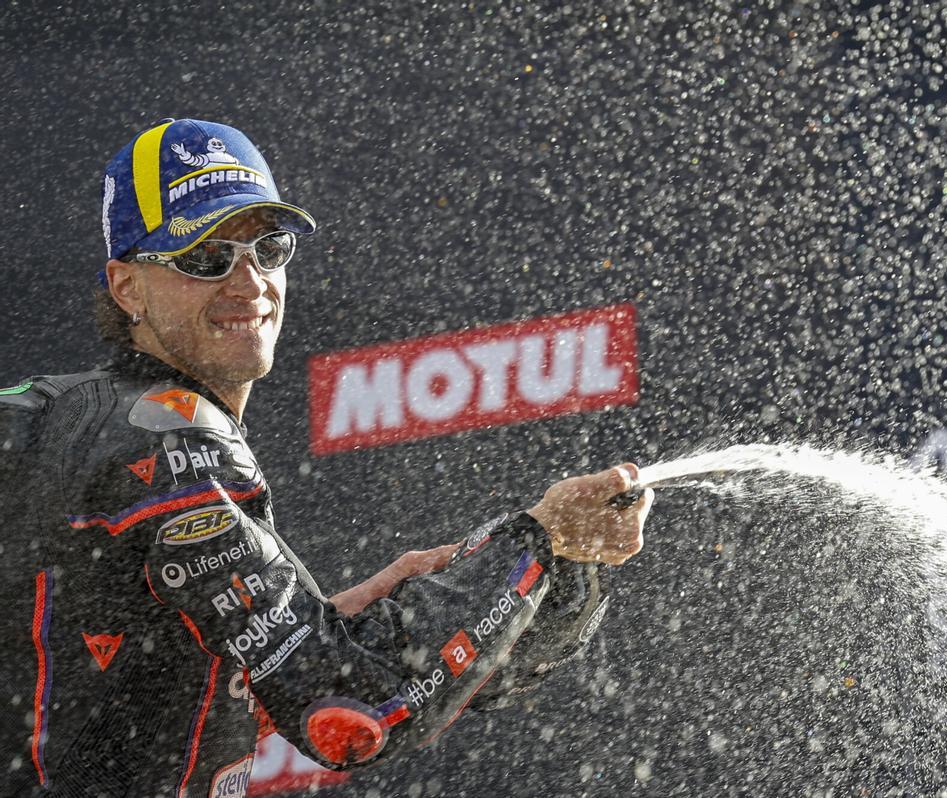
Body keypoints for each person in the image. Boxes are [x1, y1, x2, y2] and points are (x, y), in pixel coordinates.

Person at [0, 118, 653, 797]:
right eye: (205, 257)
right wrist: (539, 542)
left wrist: (549, 569)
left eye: (267, 247)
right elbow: (353, 713)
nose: (248, 282)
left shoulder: (71, 418)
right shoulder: (166, 434)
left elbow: (123, 698)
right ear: (127, 287)